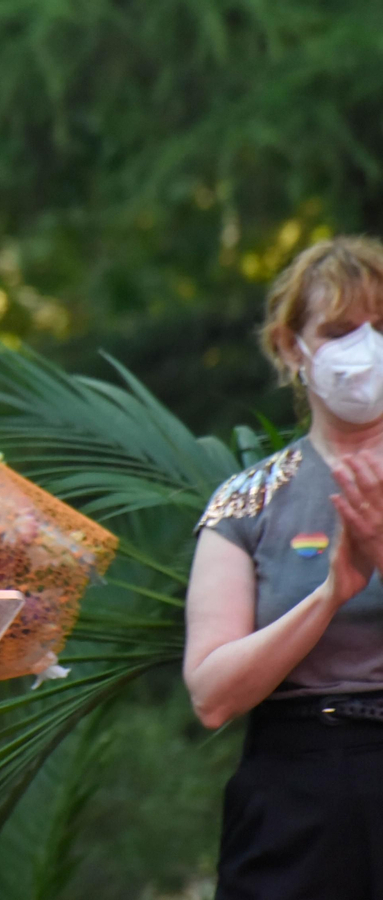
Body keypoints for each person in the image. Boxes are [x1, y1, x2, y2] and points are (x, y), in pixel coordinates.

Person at [186, 236, 383, 899]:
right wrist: (329, 595)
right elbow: (212, 697)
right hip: (294, 798)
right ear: (290, 346)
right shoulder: (248, 499)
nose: (366, 347)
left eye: (381, 327)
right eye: (339, 330)